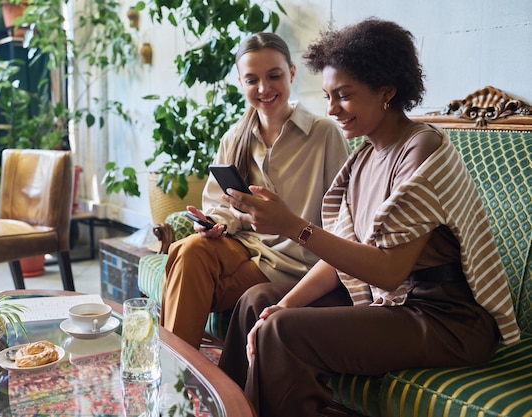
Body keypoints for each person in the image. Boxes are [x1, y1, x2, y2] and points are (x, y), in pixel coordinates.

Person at [217, 18, 521, 417]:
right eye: (327, 96)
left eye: (344, 95)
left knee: (282, 333)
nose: (331, 110)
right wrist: (286, 302)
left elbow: (390, 271)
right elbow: (344, 254)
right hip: (393, 303)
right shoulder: (362, 157)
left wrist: (293, 226)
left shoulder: (423, 149)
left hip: (446, 318)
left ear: (386, 91)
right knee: (258, 303)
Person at [160, 32, 350, 348]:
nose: (264, 88)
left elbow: (344, 217)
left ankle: (176, 375)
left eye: (274, 76)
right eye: (252, 80)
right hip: (243, 246)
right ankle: (178, 377)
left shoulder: (323, 134)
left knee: (186, 269)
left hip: (291, 262)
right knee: (188, 248)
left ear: (291, 72)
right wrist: (212, 224)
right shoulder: (234, 138)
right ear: (240, 82)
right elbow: (220, 205)